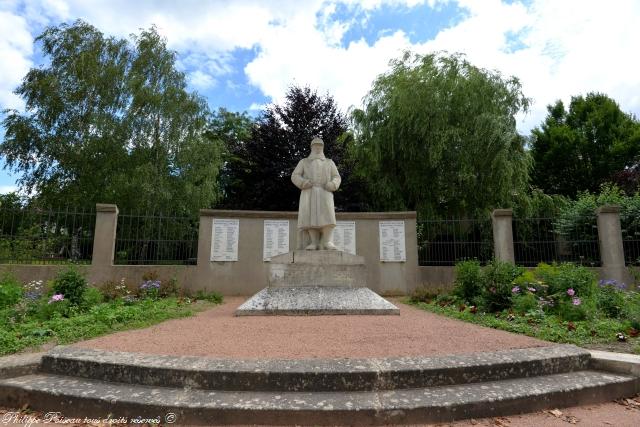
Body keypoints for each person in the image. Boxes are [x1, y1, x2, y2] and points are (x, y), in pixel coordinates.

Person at [291, 137, 341, 250]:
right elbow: (295, 175)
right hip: (309, 192)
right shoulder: (304, 162)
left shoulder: (329, 162)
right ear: (311, 147)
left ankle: (327, 241)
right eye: (315, 145)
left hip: (325, 191)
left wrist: (333, 184)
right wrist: (303, 183)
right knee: (310, 217)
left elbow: (337, 177)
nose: (318, 148)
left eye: (320, 146)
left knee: (328, 216)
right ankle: (314, 242)